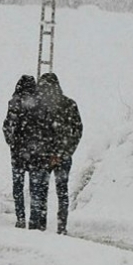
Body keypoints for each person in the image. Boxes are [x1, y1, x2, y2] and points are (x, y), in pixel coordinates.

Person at [37, 72, 83, 235]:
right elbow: (77, 130)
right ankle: (61, 226)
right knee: (62, 191)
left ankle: (41, 226)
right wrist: (67, 151)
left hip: (46, 156)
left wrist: (46, 153)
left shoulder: (42, 107)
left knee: (42, 190)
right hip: (63, 155)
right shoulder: (69, 104)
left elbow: (38, 133)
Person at [2, 75, 41, 229]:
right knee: (35, 186)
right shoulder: (39, 103)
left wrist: (12, 143)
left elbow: (8, 126)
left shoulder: (14, 102)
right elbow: (42, 128)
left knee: (18, 185)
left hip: (18, 152)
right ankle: (34, 219)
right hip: (35, 152)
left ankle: (20, 218)